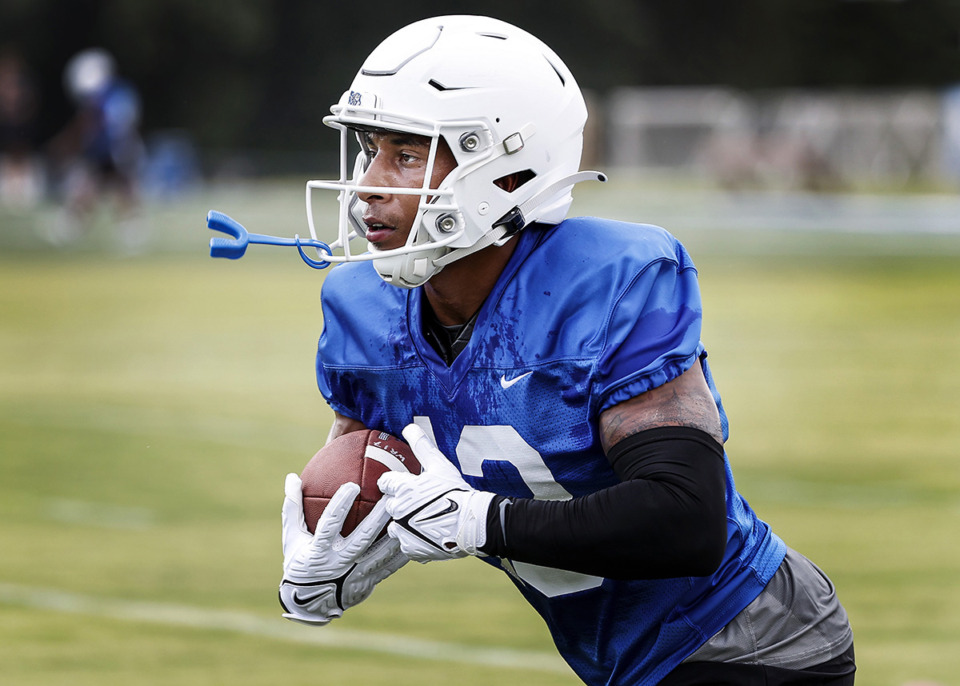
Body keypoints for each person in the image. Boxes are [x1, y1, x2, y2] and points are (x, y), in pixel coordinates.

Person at [276, 15, 855, 685]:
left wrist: (486, 522)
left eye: (406, 155)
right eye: (371, 151)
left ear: (507, 173)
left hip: (746, 638)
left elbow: (685, 519)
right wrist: (327, 561)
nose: (371, 183)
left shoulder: (608, 280)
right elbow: (366, 474)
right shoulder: (362, 309)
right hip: (617, 656)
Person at [46, 48, 146, 250]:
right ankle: (128, 228)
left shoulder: (103, 95)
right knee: (101, 187)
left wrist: (65, 145)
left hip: (111, 148)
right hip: (120, 147)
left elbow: (90, 124)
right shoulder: (122, 90)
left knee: (109, 187)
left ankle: (77, 225)